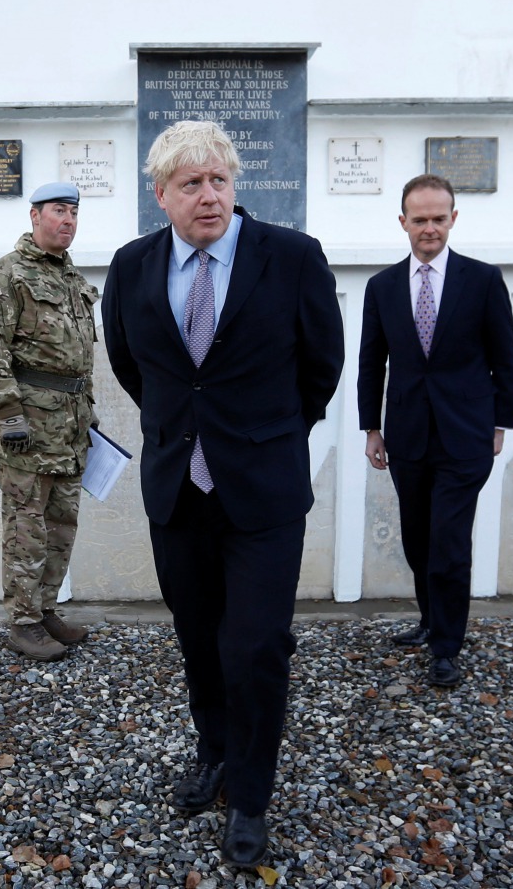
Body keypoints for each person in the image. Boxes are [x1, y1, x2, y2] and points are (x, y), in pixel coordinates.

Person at [102, 121, 344, 869]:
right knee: (200, 638)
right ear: (161, 195)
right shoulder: (132, 266)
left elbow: (321, 367)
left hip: (262, 491)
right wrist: (188, 429)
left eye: (218, 181)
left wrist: (260, 434)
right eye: (190, 184)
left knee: (258, 645)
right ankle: (213, 750)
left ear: (234, 186)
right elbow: (131, 365)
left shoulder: (292, 259)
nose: (208, 197)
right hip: (179, 489)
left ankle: (250, 795)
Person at [357, 173, 513, 688]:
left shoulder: (482, 280)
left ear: (453, 219)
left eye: (439, 218)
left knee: (449, 541)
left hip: (466, 434)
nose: (430, 228)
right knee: (418, 538)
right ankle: (431, 621)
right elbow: (371, 364)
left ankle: (448, 646)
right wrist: (371, 428)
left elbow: (505, 357)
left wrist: (501, 422)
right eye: (420, 219)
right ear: (403, 222)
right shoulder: (381, 287)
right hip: (407, 435)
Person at [0, 181, 98, 663]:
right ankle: (22, 622)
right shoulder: (9, 274)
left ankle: (44, 610)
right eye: (59, 211)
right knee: (27, 526)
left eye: (74, 213)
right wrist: (8, 414)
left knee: (62, 524)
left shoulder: (70, 277)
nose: (68, 220)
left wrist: (89, 415)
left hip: (69, 425)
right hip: (27, 429)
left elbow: (76, 360)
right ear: (35, 215)